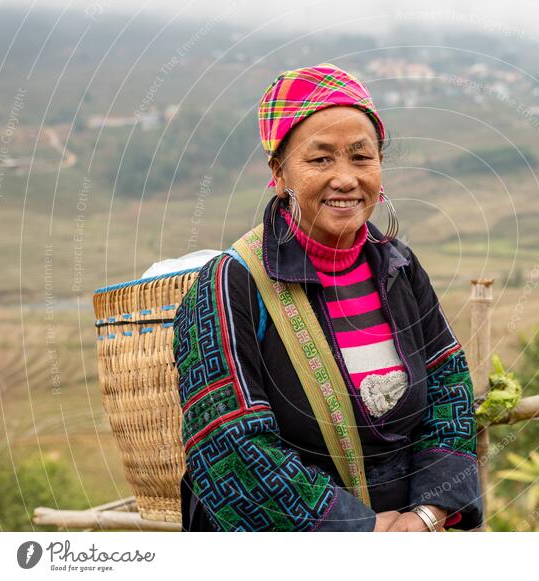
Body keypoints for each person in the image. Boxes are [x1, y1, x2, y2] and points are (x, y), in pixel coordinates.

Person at [173, 63, 483, 532]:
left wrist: (426, 514)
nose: (345, 179)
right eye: (320, 160)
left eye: (361, 157)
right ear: (279, 172)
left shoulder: (399, 266)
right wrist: (363, 531)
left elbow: (448, 388)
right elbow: (229, 444)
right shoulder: (230, 283)